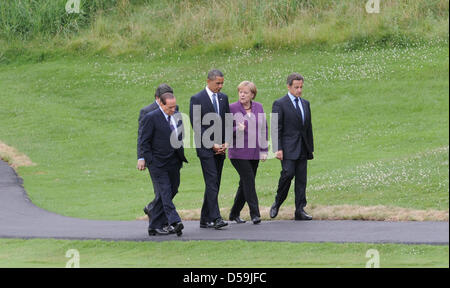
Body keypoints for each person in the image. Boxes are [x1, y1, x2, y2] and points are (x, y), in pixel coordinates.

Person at [140, 92, 188, 236]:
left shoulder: (176, 113)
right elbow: (144, 142)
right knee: (165, 191)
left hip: (174, 161)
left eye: (174, 106)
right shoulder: (151, 118)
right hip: (158, 164)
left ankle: (153, 221)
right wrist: (150, 161)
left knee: (173, 190)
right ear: (161, 104)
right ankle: (175, 221)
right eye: (170, 107)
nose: (173, 110)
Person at [189, 69, 230, 229]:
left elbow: (227, 120)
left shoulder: (223, 97)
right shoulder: (197, 99)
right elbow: (197, 125)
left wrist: (226, 142)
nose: (220, 86)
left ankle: (205, 218)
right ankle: (216, 218)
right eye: (217, 83)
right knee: (212, 180)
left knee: (215, 182)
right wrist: (211, 144)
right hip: (206, 148)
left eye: (222, 83)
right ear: (208, 81)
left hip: (220, 148)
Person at [270, 73, 314, 221]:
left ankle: (300, 210)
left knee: (302, 179)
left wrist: (310, 148)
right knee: (287, 174)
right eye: (296, 87)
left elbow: (308, 127)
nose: (299, 90)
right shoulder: (279, 103)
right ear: (289, 87)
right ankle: (278, 202)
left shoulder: (305, 104)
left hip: (303, 147)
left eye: (301, 87)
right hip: (287, 148)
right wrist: (278, 148)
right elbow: (276, 127)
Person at [228, 81, 268, 225]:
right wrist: (236, 129)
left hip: (254, 152)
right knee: (249, 181)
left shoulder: (259, 107)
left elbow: (264, 129)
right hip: (238, 153)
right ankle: (255, 214)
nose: (242, 94)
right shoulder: (232, 108)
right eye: (240, 92)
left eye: (245, 92)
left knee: (244, 183)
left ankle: (234, 213)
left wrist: (264, 150)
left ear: (252, 94)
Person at [137, 84, 177, 219]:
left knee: (170, 190)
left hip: (171, 158)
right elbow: (142, 137)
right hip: (155, 159)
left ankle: (153, 209)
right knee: (161, 191)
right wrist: (141, 158)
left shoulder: (174, 109)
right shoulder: (147, 112)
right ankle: (160, 223)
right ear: (157, 99)